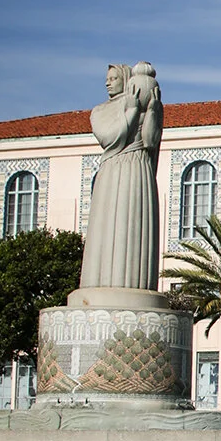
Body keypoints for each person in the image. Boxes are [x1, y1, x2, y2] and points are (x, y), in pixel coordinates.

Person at [80, 62, 164, 292]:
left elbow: (150, 141)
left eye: (113, 78)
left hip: (139, 169)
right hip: (113, 169)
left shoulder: (145, 104)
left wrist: (153, 111)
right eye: (107, 79)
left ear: (126, 81)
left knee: (136, 227)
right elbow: (109, 138)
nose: (107, 83)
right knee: (108, 226)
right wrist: (132, 111)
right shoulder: (100, 111)